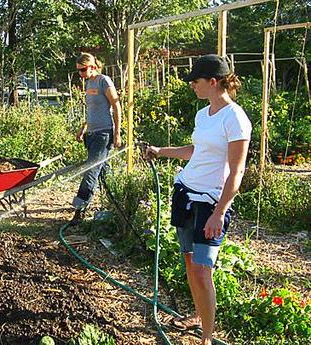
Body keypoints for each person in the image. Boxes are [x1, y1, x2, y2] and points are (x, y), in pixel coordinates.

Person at [146, 54, 251, 345]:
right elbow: (195, 151)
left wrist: (220, 212)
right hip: (186, 194)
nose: (192, 85)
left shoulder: (236, 119)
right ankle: (198, 314)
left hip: (210, 204)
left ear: (214, 82)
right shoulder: (203, 114)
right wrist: (161, 150)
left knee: (204, 270)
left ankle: (206, 337)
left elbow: (237, 171)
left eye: (196, 81)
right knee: (191, 264)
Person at [70, 52, 122, 225]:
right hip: (91, 134)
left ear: (92, 66)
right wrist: (83, 128)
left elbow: (116, 106)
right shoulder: (89, 83)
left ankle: (79, 209)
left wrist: (117, 133)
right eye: (78, 71)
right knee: (103, 172)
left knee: (90, 170)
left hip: (103, 133)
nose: (81, 74)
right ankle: (115, 206)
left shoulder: (103, 80)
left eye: (83, 70)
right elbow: (91, 110)